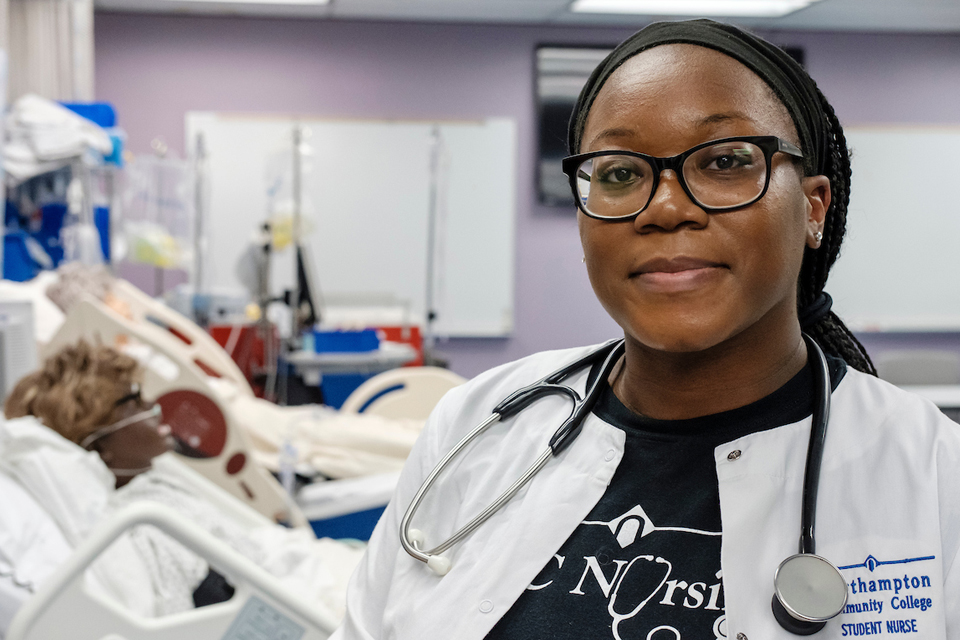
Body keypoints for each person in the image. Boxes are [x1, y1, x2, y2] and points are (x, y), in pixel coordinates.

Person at [332, 19, 960, 640]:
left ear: (813, 207)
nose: (665, 206)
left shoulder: (937, 478)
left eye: (725, 161)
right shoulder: (474, 421)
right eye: (619, 172)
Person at [0, 339, 363, 620]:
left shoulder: (154, 487)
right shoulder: (139, 531)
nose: (152, 407)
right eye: (134, 400)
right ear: (100, 441)